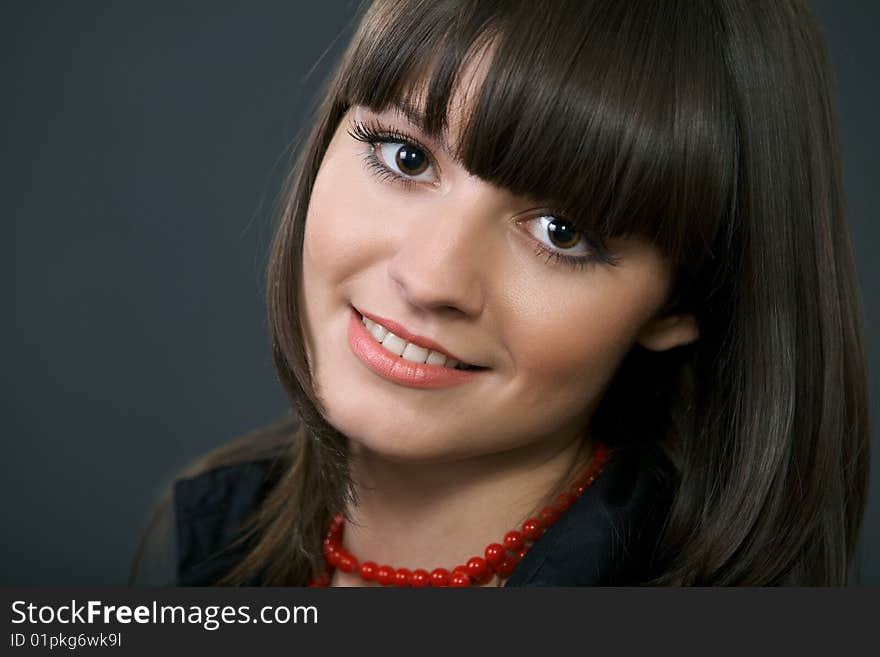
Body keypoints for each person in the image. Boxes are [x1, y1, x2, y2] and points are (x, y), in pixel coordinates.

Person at [131, 0, 870, 587]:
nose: (429, 280)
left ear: (683, 302)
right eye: (406, 156)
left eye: (560, 230)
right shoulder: (208, 537)